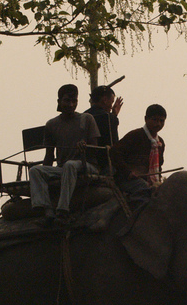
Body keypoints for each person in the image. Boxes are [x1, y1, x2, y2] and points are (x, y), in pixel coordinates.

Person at [28, 84, 100, 224]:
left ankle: (62, 210)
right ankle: (46, 209)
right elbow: (49, 155)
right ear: (59, 102)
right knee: (35, 170)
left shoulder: (87, 119)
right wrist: (45, 174)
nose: (71, 104)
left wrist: (84, 148)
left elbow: (95, 148)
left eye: (74, 101)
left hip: (87, 165)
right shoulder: (51, 124)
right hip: (64, 169)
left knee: (70, 165)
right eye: (67, 100)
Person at [111, 104, 166, 186]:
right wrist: (128, 172)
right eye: (155, 120)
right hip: (128, 180)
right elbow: (114, 152)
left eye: (161, 121)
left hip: (150, 181)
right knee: (143, 188)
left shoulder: (160, 142)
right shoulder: (135, 135)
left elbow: (159, 165)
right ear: (146, 119)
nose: (158, 124)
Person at [84, 84, 123, 173]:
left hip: (83, 159)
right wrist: (113, 117)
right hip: (103, 164)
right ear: (105, 100)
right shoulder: (107, 117)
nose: (111, 106)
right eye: (111, 102)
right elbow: (113, 144)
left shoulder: (83, 116)